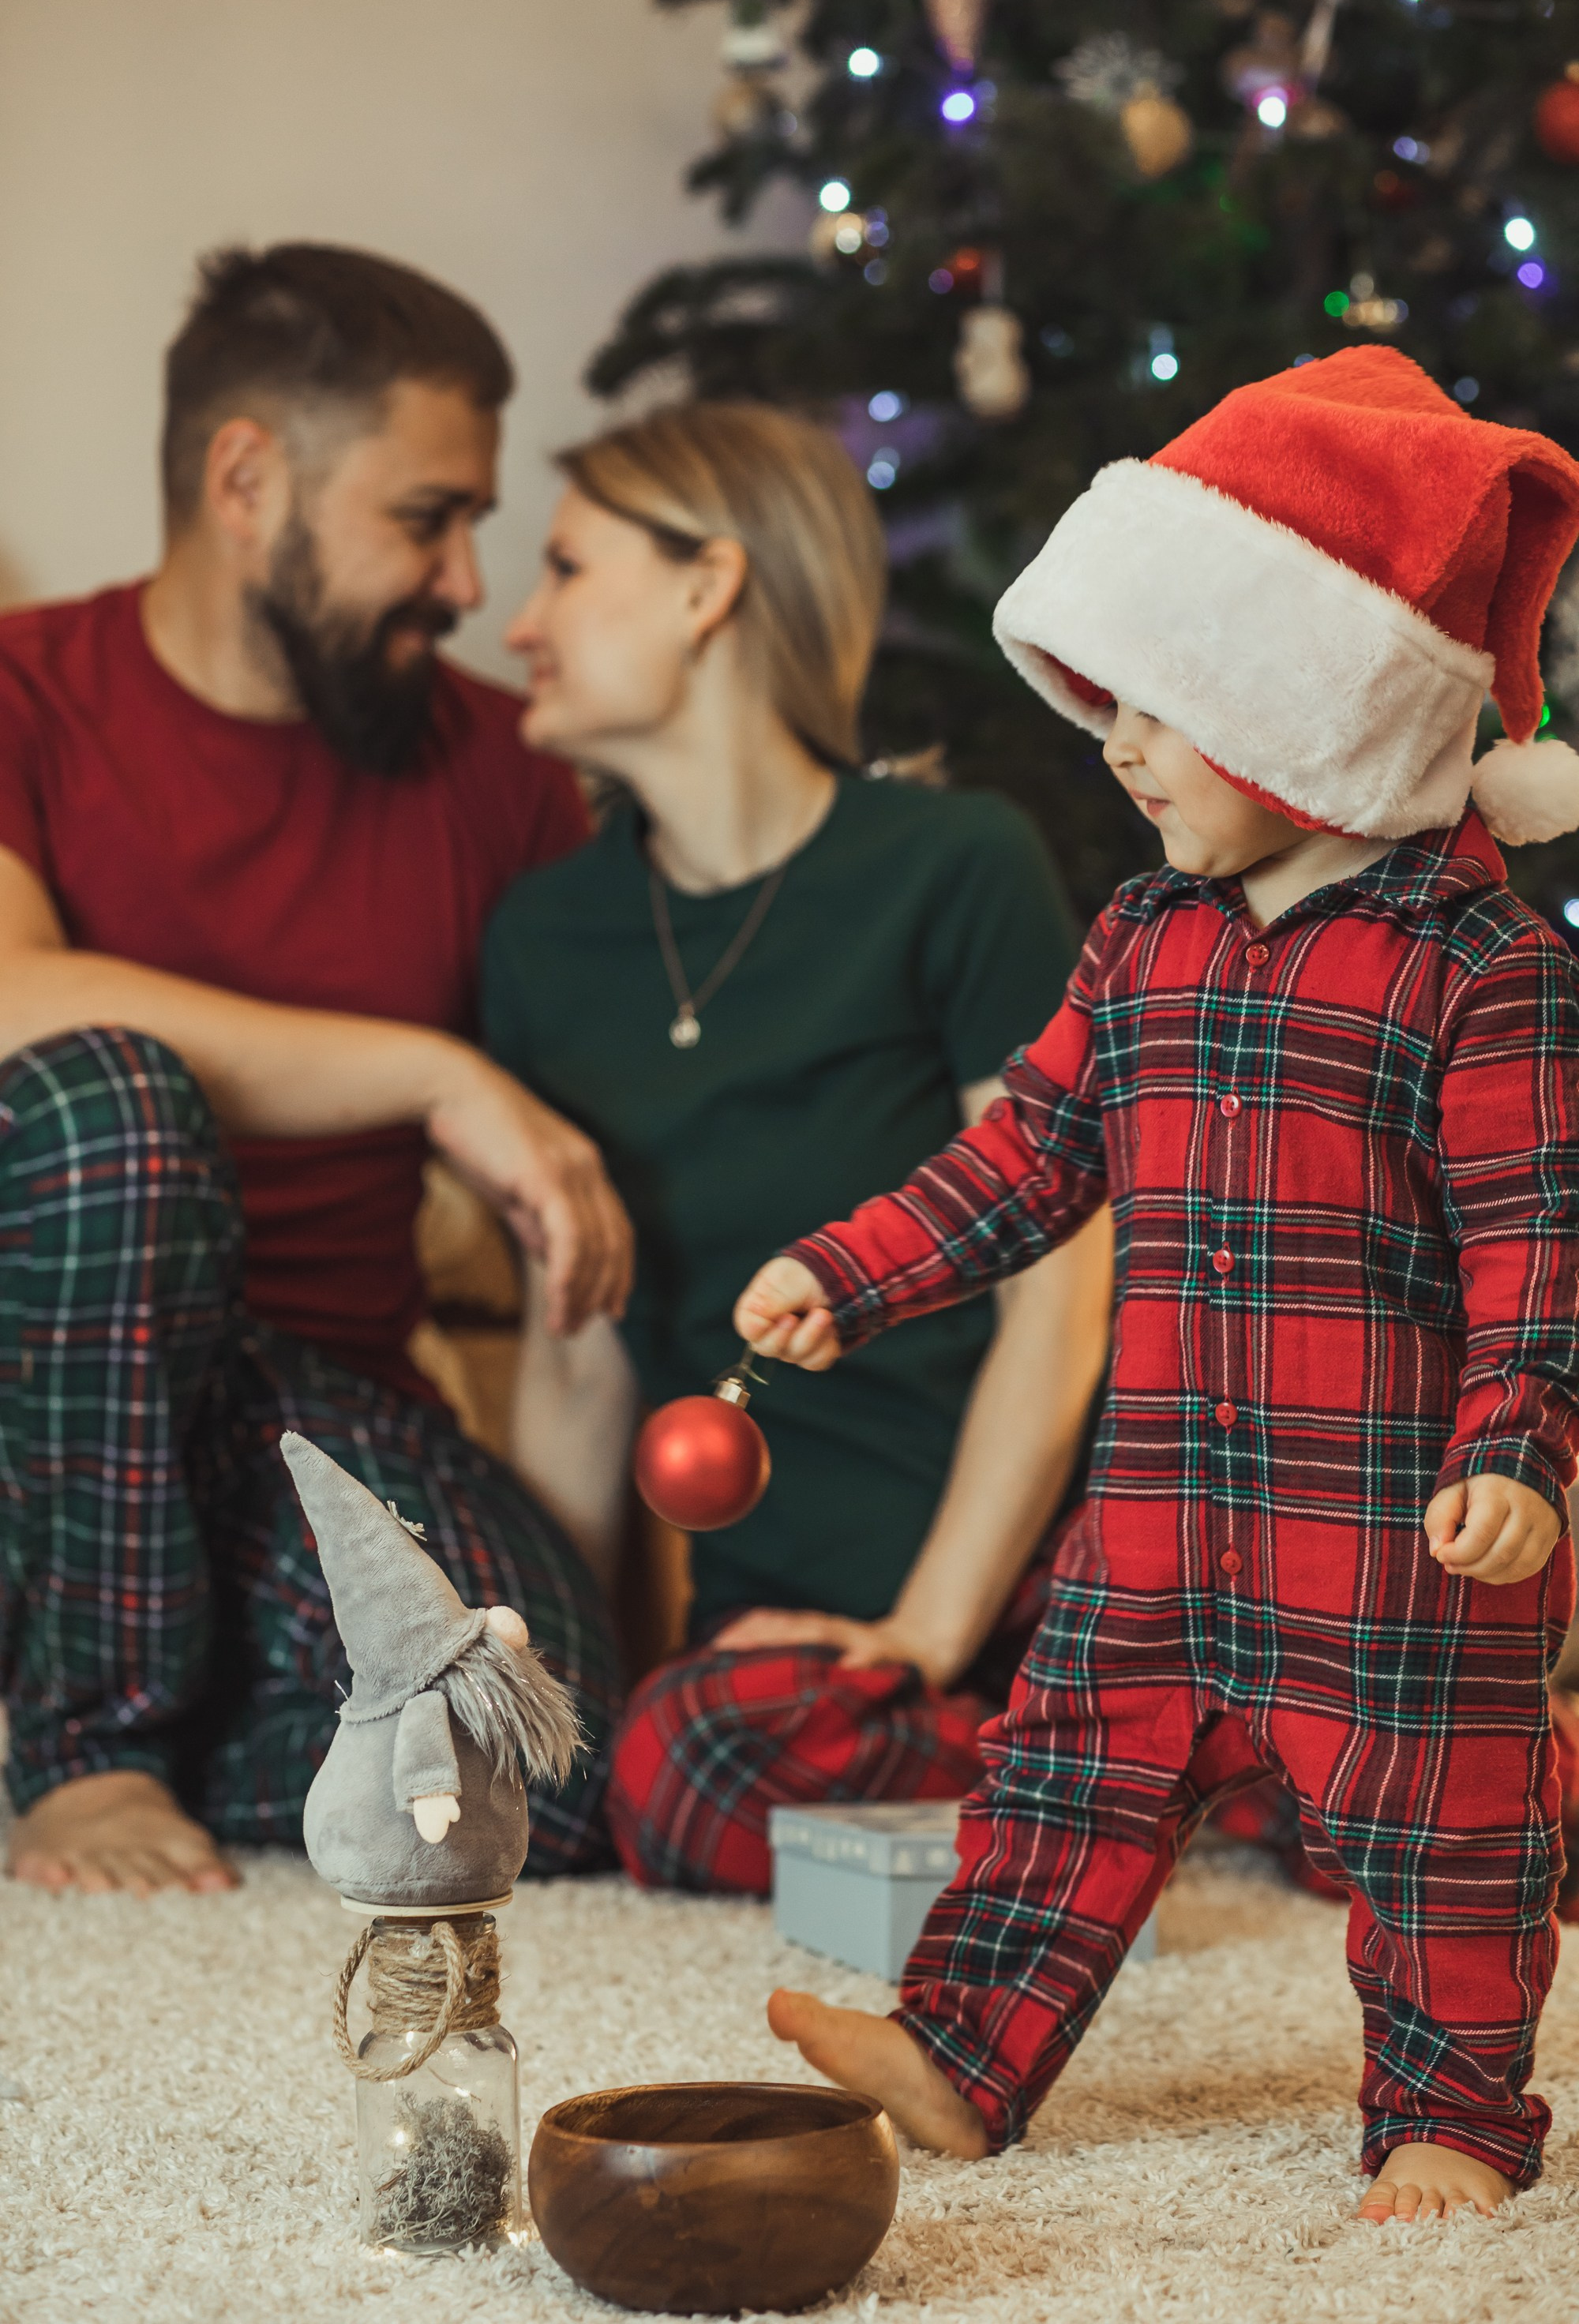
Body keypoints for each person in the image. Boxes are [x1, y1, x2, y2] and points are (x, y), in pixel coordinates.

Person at [736, 350, 1579, 2223]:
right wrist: (847, 1275)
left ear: (1308, 706)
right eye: (1104, 703)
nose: (1115, 747)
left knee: (1439, 1822)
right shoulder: (1142, 939)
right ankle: (961, 2054)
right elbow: (1020, 1160)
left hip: (1386, 1526)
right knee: (1061, 1775)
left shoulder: (1480, 967)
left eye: (1162, 707)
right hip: (1157, 1508)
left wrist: (1516, 1452)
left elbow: (1539, 1242)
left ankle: (1449, 2113)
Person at [0, 242, 632, 1896]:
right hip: (42, 1398)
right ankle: (89, 1750)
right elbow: (8, 996)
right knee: (111, 1104)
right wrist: (433, 1075)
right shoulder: (23, 693)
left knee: (545, 1761)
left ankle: (163, 1711)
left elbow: (581, 1186)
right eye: (427, 518)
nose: (466, 579)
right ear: (247, 479)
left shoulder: (496, 767)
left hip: (309, 1408)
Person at [481, 400, 1116, 1895]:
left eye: (565, 568)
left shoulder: (954, 867)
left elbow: (1063, 1294)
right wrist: (548, 1676)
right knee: (643, 1776)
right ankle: (1115, 1788)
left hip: (1045, 1580)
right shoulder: (542, 941)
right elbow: (576, 1362)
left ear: (708, 587)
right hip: (779, 1654)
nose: (520, 625)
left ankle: (1138, 1754)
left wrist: (926, 1635)